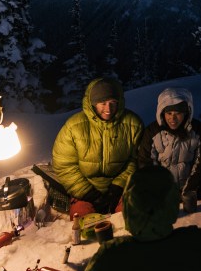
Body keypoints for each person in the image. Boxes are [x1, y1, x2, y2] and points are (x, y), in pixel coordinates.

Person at [52, 77, 144, 218]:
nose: (108, 109)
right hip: (85, 191)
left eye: (112, 102)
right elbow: (64, 165)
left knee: (131, 217)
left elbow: (135, 161)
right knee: (83, 221)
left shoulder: (133, 124)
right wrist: (88, 194)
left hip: (120, 190)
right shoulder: (73, 127)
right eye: (102, 103)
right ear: (93, 103)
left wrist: (118, 187)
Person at [138, 87, 201, 212]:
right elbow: (146, 163)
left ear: (187, 113)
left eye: (178, 113)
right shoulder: (152, 132)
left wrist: (190, 188)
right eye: (169, 113)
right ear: (162, 113)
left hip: (193, 191)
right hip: (162, 192)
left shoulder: (199, 131)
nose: (173, 119)